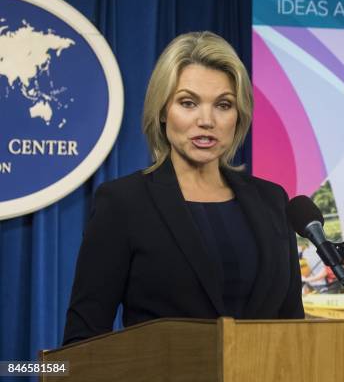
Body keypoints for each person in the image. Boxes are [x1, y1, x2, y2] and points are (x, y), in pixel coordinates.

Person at [63, 31, 304, 345]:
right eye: (188, 103)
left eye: (223, 105)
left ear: (239, 115)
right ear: (163, 111)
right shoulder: (123, 203)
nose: (207, 120)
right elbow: (83, 340)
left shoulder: (272, 200)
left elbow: (295, 331)